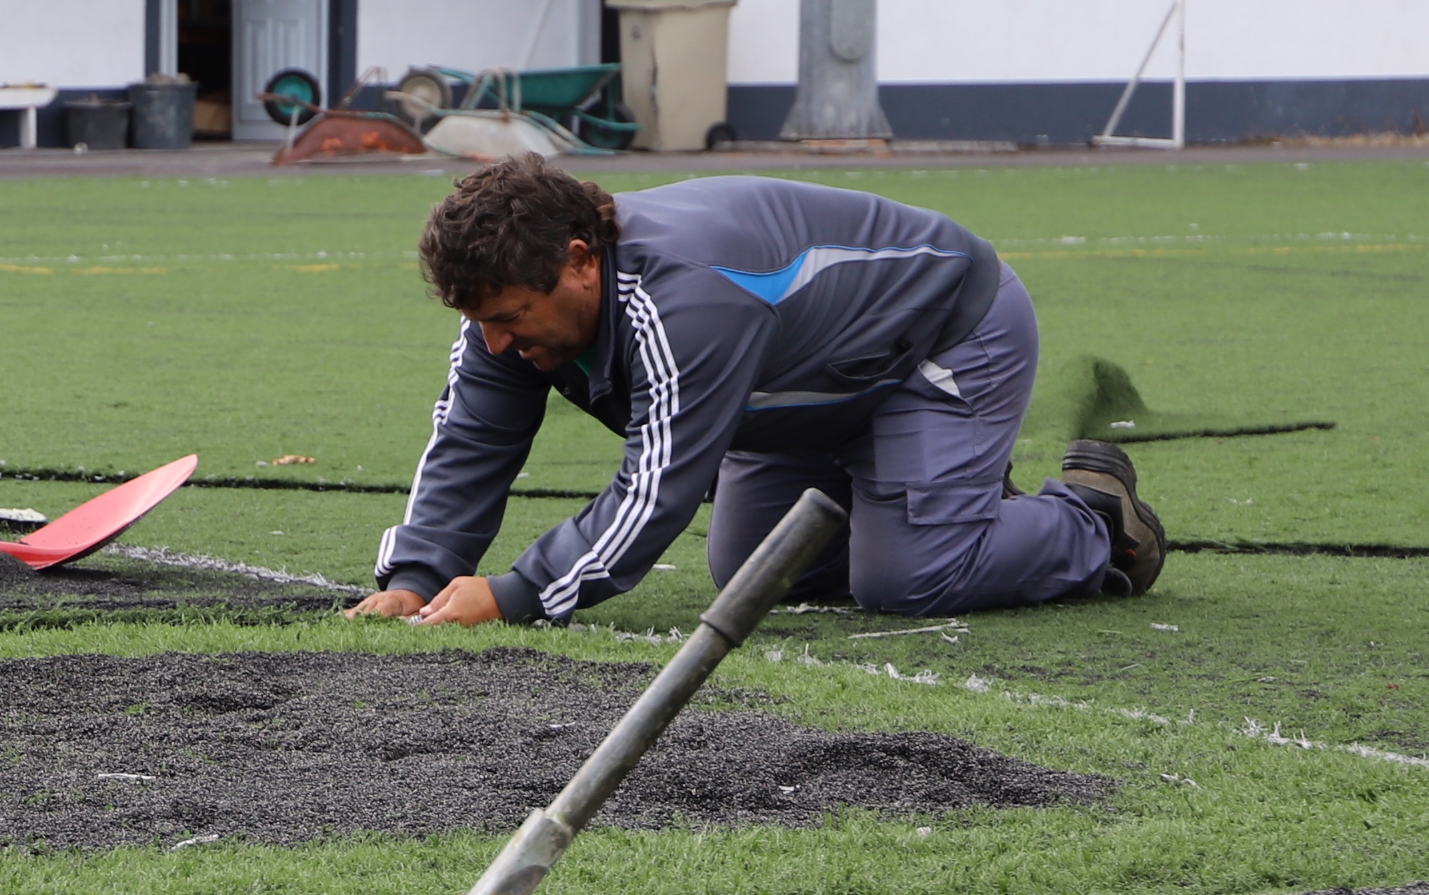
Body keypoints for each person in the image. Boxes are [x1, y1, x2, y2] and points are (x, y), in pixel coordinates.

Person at [349, 161, 1163, 629]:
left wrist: (515, 594)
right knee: (752, 567)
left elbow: (657, 484)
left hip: (942, 337)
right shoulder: (509, 313)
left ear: (578, 261)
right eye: (480, 321)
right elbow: (473, 437)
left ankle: (1088, 520)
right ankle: (940, 500)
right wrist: (416, 576)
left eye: (510, 318)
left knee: (910, 581)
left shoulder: (684, 296)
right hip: (810, 382)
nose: (496, 342)